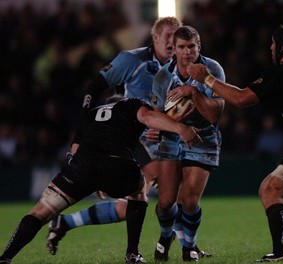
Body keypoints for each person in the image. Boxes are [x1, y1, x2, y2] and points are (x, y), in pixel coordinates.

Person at [45, 17, 211, 262]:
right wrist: (80, 136)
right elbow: (94, 87)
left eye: (175, 37)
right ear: (155, 38)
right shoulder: (132, 60)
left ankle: (65, 222)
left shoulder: (183, 69)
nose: (171, 41)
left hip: (163, 138)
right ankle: (183, 247)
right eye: (166, 35)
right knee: (170, 195)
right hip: (136, 139)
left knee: (134, 205)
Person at [188, 24, 283, 262]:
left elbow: (240, 99)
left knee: (272, 191)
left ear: (280, 47)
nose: (270, 48)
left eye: (273, 43)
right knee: (268, 188)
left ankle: (282, 254)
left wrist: (206, 78)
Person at [0, 87, 201, 264]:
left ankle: (6, 256)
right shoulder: (132, 105)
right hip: (116, 163)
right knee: (139, 189)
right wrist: (180, 127)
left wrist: (93, 180)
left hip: (81, 166)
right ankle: (132, 253)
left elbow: (76, 148)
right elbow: (148, 117)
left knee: (39, 213)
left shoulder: (90, 115)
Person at [152, 25, 225, 262]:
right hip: (172, 138)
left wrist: (193, 92)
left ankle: (189, 247)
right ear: (174, 49)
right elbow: (157, 114)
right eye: (182, 47)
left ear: (199, 46)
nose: (187, 52)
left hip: (203, 137)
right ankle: (165, 237)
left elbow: (215, 114)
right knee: (165, 202)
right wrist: (172, 125)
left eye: (191, 46)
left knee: (190, 199)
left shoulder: (212, 69)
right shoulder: (163, 76)